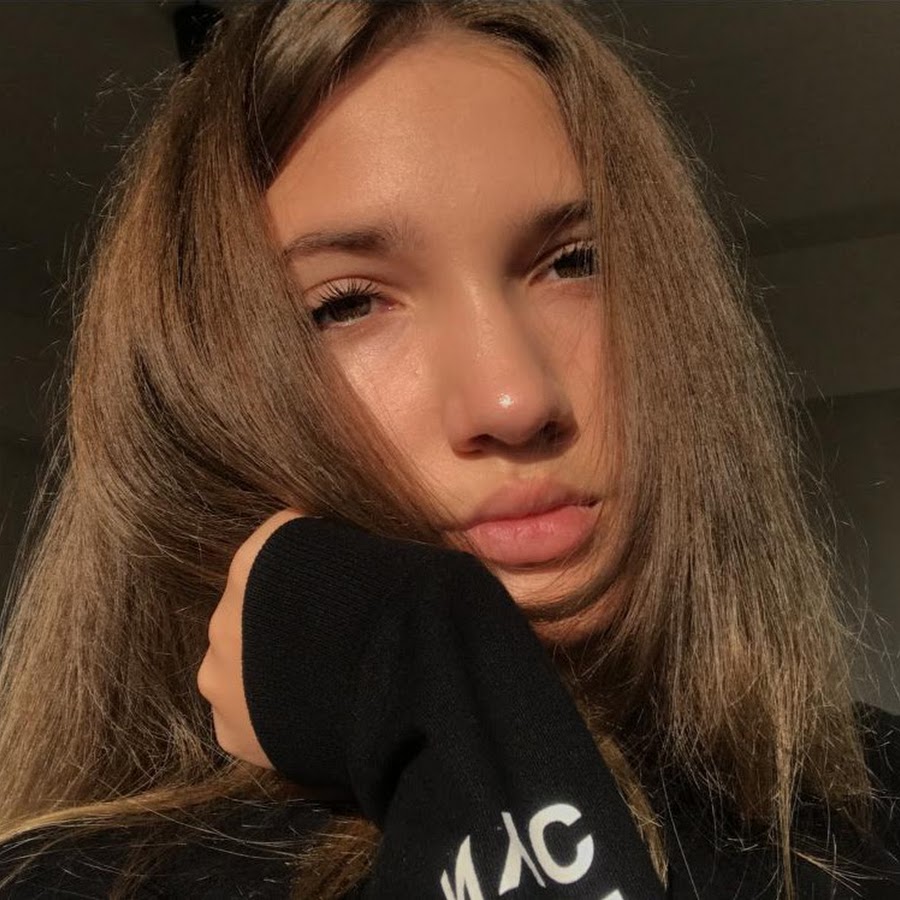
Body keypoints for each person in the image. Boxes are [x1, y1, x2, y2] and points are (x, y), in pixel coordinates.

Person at [0, 0, 896, 897]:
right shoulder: (77, 882)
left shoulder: (879, 802)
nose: (516, 401)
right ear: (201, 400)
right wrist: (427, 666)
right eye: (348, 303)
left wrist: (430, 683)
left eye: (573, 262)